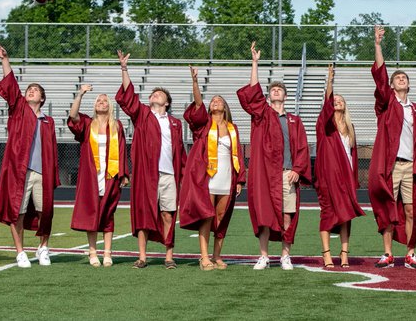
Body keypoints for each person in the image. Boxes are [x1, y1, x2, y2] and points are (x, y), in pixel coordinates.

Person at [238, 42, 311, 271]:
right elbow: (252, 93)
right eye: (273, 89)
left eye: (280, 89)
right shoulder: (262, 115)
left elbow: (302, 149)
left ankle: (285, 256)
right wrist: (255, 63)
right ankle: (264, 256)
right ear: (268, 97)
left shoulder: (294, 121)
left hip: (286, 174)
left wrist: (297, 169)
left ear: (286, 96)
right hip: (266, 176)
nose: (276, 91)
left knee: (287, 215)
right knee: (265, 215)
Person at [116, 50, 186, 269]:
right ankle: (143, 257)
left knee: (168, 213)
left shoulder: (175, 123)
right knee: (145, 213)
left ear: (167, 102)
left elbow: (181, 153)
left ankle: (168, 256)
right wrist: (124, 69)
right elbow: (128, 98)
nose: (155, 95)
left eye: (159, 94)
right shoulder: (143, 115)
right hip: (147, 174)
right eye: (153, 94)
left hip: (169, 174)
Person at [0, 43, 58, 269]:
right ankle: (20, 252)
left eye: (35, 90)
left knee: (45, 211)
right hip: (21, 171)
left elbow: (52, 152)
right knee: (16, 212)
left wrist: (53, 177)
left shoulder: (48, 122)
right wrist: (4, 59)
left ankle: (43, 247)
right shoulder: (18, 110)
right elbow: (10, 85)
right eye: (28, 89)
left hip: (42, 172)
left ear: (42, 98)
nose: (30, 91)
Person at [369, 25, 416, 269]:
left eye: (405, 78)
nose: (401, 79)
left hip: (411, 165)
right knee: (387, 208)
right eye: (397, 78)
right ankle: (387, 253)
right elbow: (380, 75)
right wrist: (378, 45)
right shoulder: (386, 105)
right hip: (391, 166)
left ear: (409, 85)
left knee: (412, 209)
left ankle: (411, 252)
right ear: (391, 86)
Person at [179, 67, 245, 271]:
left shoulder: (233, 129)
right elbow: (197, 105)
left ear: (225, 107)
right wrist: (195, 82)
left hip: (227, 178)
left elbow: (238, 155)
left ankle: (217, 256)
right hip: (207, 177)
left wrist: (240, 180)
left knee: (221, 217)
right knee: (207, 215)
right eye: (213, 100)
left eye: (219, 100)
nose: (215, 101)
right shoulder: (204, 125)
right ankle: (204, 256)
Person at [67, 83, 128, 267]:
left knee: (108, 213)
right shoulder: (87, 123)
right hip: (90, 176)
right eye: (98, 101)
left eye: (104, 101)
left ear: (109, 105)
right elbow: (72, 116)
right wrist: (80, 94)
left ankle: (108, 252)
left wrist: (124, 174)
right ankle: (93, 252)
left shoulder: (117, 126)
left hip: (111, 175)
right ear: (94, 105)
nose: (101, 103)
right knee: (91, 212)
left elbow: (123, 150)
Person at [314, 64, 367, 268]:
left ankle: (344, 254)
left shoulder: (350, 128)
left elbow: (352, 157)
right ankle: (326, 254)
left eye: (340, 101)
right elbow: (327, 104)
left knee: (346, 216)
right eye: (334, 100)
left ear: (345, 106)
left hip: (345, 178)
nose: (337, 102)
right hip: (328, 177)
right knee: (327, 213)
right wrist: (330, 81)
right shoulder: (325, 126)